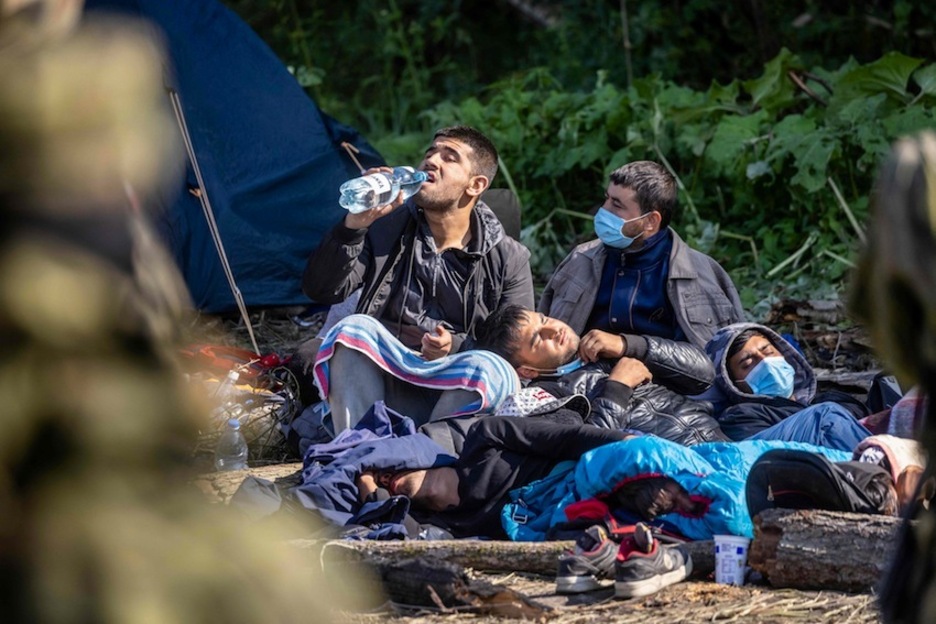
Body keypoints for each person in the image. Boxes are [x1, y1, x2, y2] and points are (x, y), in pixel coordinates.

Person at [302, 125, 534, 358]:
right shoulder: (386, 226)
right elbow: (322, 291)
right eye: (430, 153)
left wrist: (454, 346)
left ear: (476, 185)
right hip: (381, 358)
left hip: (456, 369)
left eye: (449, 158)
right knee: (309, 358)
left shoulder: (509, 259)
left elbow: (518, 344)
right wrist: (353, 227)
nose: (432, 160)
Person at [538, 160, 744, 350]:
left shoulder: (700, 273)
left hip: (667, 385)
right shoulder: (581, 260)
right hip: (582, 379)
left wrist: (629, 346)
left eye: (617, 205)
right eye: (606, 198)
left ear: (651, 221)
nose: (603, 210)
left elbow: (717, 360)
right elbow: (540, 335)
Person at [473, 304, 729, 446]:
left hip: (723, 442)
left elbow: (704, 375)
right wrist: (617, 387)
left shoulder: (604, 345)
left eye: (543, 319)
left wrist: (630, 345)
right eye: (538, 339)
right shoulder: (548, 398)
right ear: (527, 370)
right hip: (677, 468)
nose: (553, 329)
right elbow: (590, 450)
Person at [312, 313, 520, 433]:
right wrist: (348, 238)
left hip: (463, 384)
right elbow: (325, 289)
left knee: (488, 368)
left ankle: (425, 457)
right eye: (542, 321)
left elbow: (499, 338)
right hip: (392, 365)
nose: (554, 331)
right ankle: (358, 454)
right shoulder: (389, 239)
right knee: (353, 328)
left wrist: (454, 346)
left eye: (538, 338)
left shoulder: (507, 255)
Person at [704, 322, 872, 451]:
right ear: (733, 384)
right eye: (748, 363)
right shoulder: (741, 417)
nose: (765, 362)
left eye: (768, 352)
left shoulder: (830, 399)